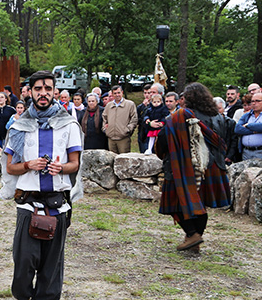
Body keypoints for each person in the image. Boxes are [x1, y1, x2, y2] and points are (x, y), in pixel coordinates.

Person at [0, 70, 82, 300]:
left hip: (57, 204)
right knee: (24, 259)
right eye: (38, 89)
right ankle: (23, 299)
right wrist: (28, 164)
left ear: (54, 91)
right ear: (30, 92)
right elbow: (11, 167)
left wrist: (62, 169)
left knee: (52, 261)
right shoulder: (19, 126)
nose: (43, 93)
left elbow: (75, 163)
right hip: (28, 203)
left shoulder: (68, 124)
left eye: (48, 88)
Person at [155, 82, 231, 252]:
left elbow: (163, 140)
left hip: (185, 167)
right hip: (213, 167)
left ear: (188, 98)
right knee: (200, 205)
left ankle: (192, 234)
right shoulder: (218, 116)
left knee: (176, 202)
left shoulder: (179, 116)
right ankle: (193, 239)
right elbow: (223, 139)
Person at [102, 85, 137, 154]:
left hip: (123, 137)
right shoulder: (109, 105)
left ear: (122, 92)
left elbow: (134, 119)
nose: (117, 95)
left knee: (123, 160)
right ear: (112, 94)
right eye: (115, 93)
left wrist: (128, 129)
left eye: (118, 93)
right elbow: (104, 117)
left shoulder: (130, 104)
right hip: (111, 137)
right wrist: (105, 129)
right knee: (111, 159)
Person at [234, 90, 262, 161]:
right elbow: (237, 129)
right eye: (252, 101)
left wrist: (248, 125)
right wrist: (254, 131)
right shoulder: (247, 115)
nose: (254, 103)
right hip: (246, 152)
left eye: (257, 101)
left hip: (260, 151)